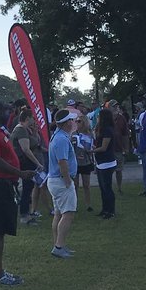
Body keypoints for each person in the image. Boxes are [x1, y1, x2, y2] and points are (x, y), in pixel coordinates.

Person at [0, 99, 32, 285]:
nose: (8, 114)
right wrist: (19, 173)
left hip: (5, 184)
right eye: (5, 111)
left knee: (1, 230)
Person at [47, 109, 80, 258]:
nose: (73, 122)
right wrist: (67, 180)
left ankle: (58, 244)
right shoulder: (61, 139)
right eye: (71, 120)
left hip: (55, 180)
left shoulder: (58, 136)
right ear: (67, 123)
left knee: (59, 214)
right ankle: (59, 246)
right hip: (61, 181)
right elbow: (62, 161)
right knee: (68, 213)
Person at [10, 108, 46, 224]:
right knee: (27, 188)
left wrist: (34, 132)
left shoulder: (25, 129)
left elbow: (35, 142)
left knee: (29, 187)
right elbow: (26, 149)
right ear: (27, 118)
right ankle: (24, 215)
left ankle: (27, 213)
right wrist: (37, 163)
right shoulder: (21, 130)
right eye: (32, 118)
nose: (34, 120)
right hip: (25, 162)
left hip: (25, 161)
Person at [93, 106, 118, 219]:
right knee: (102, 188)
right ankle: (105, 209)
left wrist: (92, 151)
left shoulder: (108, 130)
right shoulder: (102, 130)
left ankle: (111, 211)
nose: (97, 118)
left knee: (107, 188)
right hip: (100, 162)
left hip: (107, 162)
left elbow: (104, 148)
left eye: (99, 116)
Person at [72, 112, 96, 211]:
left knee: (86, 185)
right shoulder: (74, 134)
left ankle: (88, 204)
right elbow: (71, 147)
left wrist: (91, 149)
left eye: (79, 121)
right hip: (76, 162)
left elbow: (92, 146)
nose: (77, 123)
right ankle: (74, 205)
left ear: (84, 122)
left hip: (86, 161)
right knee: (75, 185)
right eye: (76, 121)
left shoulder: (89, 134)